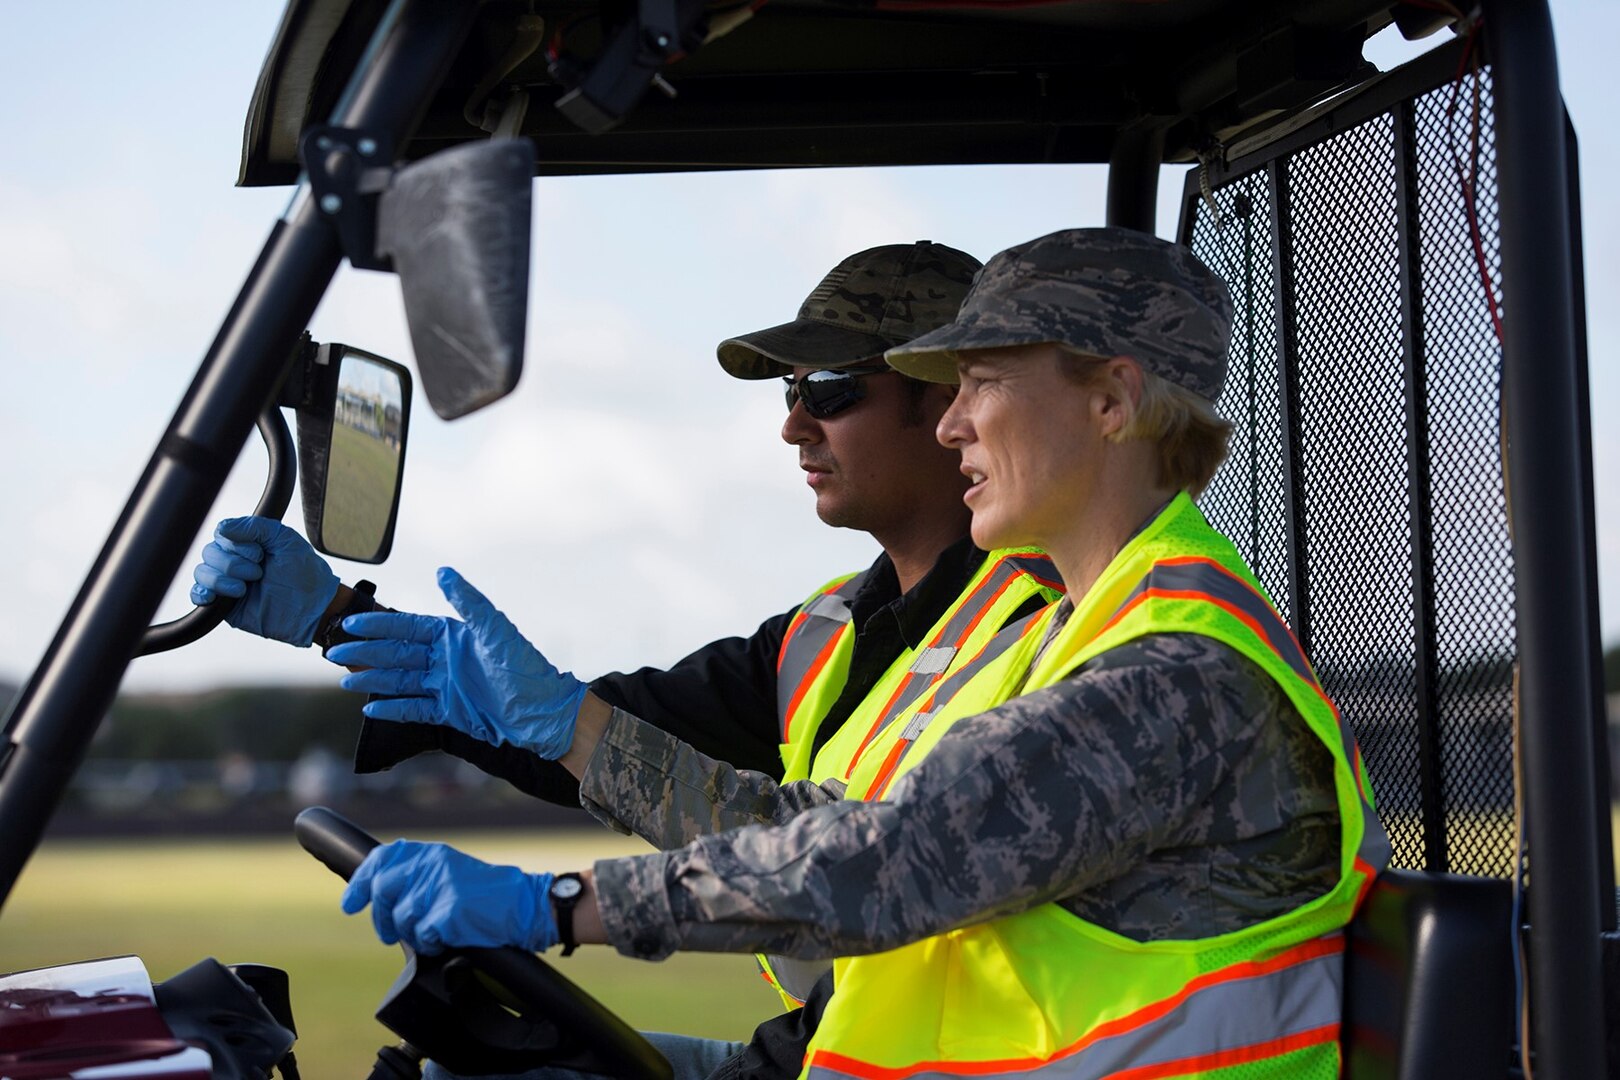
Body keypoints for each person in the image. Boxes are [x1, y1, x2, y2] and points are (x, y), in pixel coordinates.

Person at [340, 227, 1391, 1080]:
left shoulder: (1180, 674)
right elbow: (849, 827)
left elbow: (899, 857)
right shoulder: (1079, 629)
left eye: (980, 381)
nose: (953, 425)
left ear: (1111, 401)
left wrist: (557, 906)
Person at [191, 241, 1063, 1075]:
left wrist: (551, 900)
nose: (794, 426)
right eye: (789, 393)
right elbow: (601, 744)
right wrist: (334, 617)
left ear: (951, 399)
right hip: (829, 1049)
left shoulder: (1048, 635)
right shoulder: (823, 633)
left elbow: (841, 862)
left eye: (830, 390)